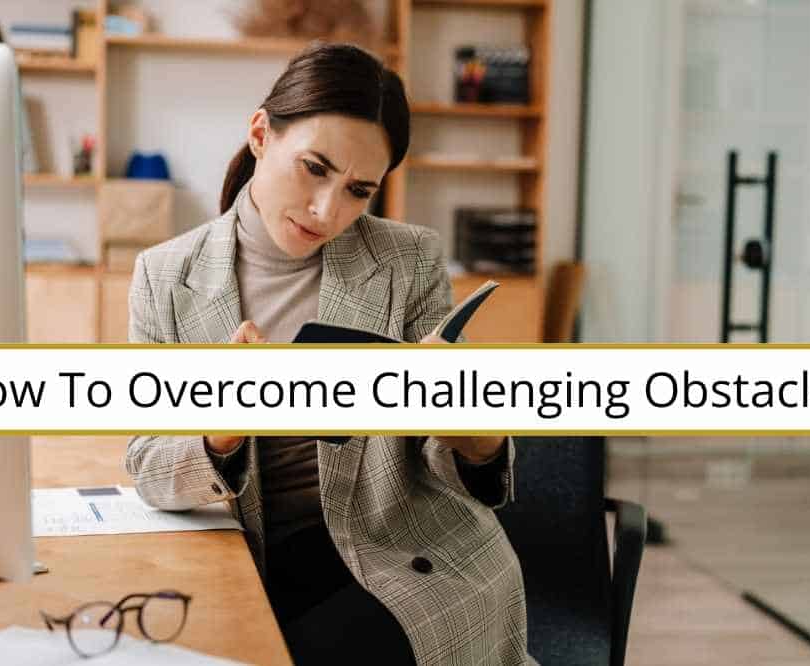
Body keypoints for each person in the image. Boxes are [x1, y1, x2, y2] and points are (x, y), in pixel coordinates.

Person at [125, 43, 533, 665]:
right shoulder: (164, 275)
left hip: (399, 557)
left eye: (358, 190)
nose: (327, 210)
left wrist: (472, 433)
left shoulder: (409, 260)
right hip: (245, 556)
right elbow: (148, 463)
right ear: (261, 133)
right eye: (314, 169)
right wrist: (221, 435)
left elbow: (467, 467)